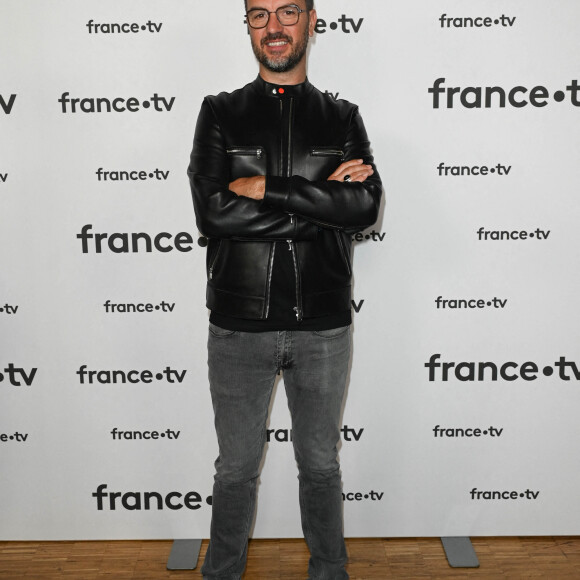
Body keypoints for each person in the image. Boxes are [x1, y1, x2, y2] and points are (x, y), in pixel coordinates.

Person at [188, 1, 382, 578]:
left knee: (321, 465)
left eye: (288, 12)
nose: (274, 27)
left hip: (323, 325)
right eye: (260, 15)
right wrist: (321, 202)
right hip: (238, 324)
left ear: (312, 20)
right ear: (248, 25)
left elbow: (365, 206)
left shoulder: (342, 117)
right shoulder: (220, 112)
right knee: (235, 470)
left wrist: (268, 187)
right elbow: (213, 214)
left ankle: (330, 571)